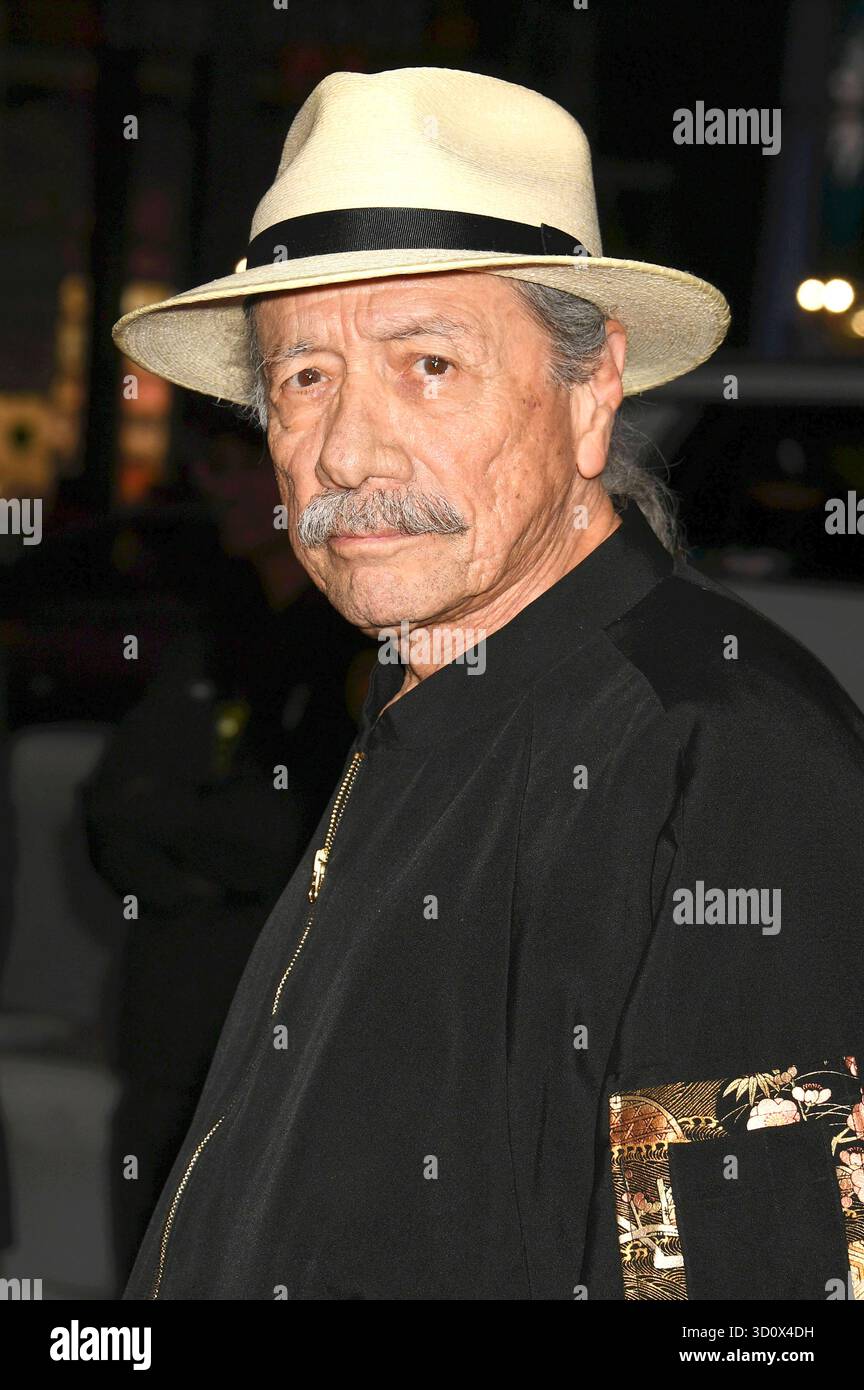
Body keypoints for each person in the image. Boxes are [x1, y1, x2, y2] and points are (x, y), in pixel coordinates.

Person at [111, 68, 864, 1301]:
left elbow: (752, 1309)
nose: (347, 450)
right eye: (303, 377)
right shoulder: (425, 707)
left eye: (429, 364)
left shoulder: (722, 765)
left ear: (592, 388)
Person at [82, 409, 373, 1287]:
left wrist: (195, 830)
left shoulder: (367, 636)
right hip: (177, 1011)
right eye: (212, 467)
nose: (222, 490)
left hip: (294, 1026)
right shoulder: (214, 621)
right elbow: (110, 808)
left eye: (244, 466)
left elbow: (297, 835)